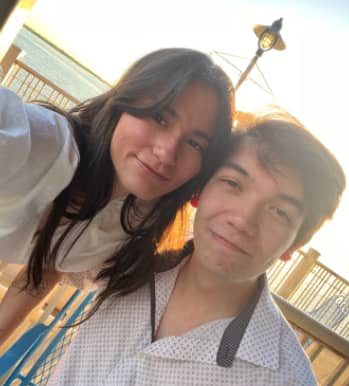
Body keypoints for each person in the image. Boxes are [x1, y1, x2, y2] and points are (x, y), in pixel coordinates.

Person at [41, 111, 346, 386]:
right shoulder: (129, 259)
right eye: (232, 183)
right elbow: (49, 258)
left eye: (279, 211)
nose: (242, 219)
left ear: (294, 245)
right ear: (199, 191)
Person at [0, 48, 234, 344]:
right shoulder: (40, 144)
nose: (166, 153)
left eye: (195, 144)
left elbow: (48, 266)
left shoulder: (128, 222)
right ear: (124, 100)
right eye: (160, 118)